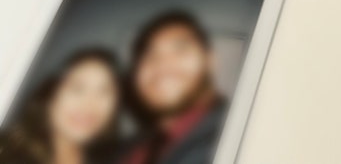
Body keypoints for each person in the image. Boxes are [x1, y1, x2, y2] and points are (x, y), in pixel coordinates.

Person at [119, 12, 226, 164]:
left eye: (180, 50)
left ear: (210, 61)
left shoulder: (231, 139)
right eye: (150, 55)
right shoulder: (138, 144)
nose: (162, 65)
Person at [0, 49, 121, 164]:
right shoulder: (8, 152)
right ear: (50, 94)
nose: (89, 104)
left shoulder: (115, 158)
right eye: (78, 88)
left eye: (104, 92)